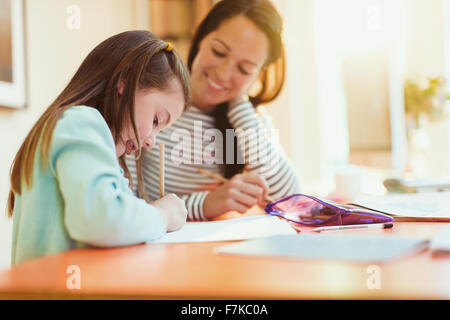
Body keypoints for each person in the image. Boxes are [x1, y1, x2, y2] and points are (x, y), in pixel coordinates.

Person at [7, 30, 190, 265]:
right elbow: (102, 219)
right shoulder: (80, 122)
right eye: (156, 121)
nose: (151, 141)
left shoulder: (82, 135)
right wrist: (162, 215)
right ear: (124, 83)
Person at [128, 0, 300, 220]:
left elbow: (290, 200)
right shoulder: (152, 101)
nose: (224, 73)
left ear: (258, 75)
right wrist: (205, 204)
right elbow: (128, 205)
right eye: (219, 52)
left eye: (244, 68)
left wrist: (239, 103)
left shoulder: (249, 121)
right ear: (200, 39)